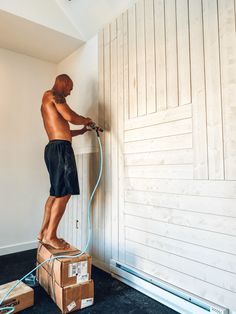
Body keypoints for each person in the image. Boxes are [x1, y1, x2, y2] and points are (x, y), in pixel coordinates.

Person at [38, 74, 93, 249]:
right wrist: (86, 120)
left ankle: (43, 232)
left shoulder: (47, 100)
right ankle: (51, 236)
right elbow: (70, 116)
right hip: (61, 149)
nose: (69, 93)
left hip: (54, 147)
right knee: (64, 193)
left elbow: (63, 129)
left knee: (55, 193)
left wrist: (82, 131)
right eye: (70, 89)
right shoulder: (53, 95)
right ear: (65, 83)